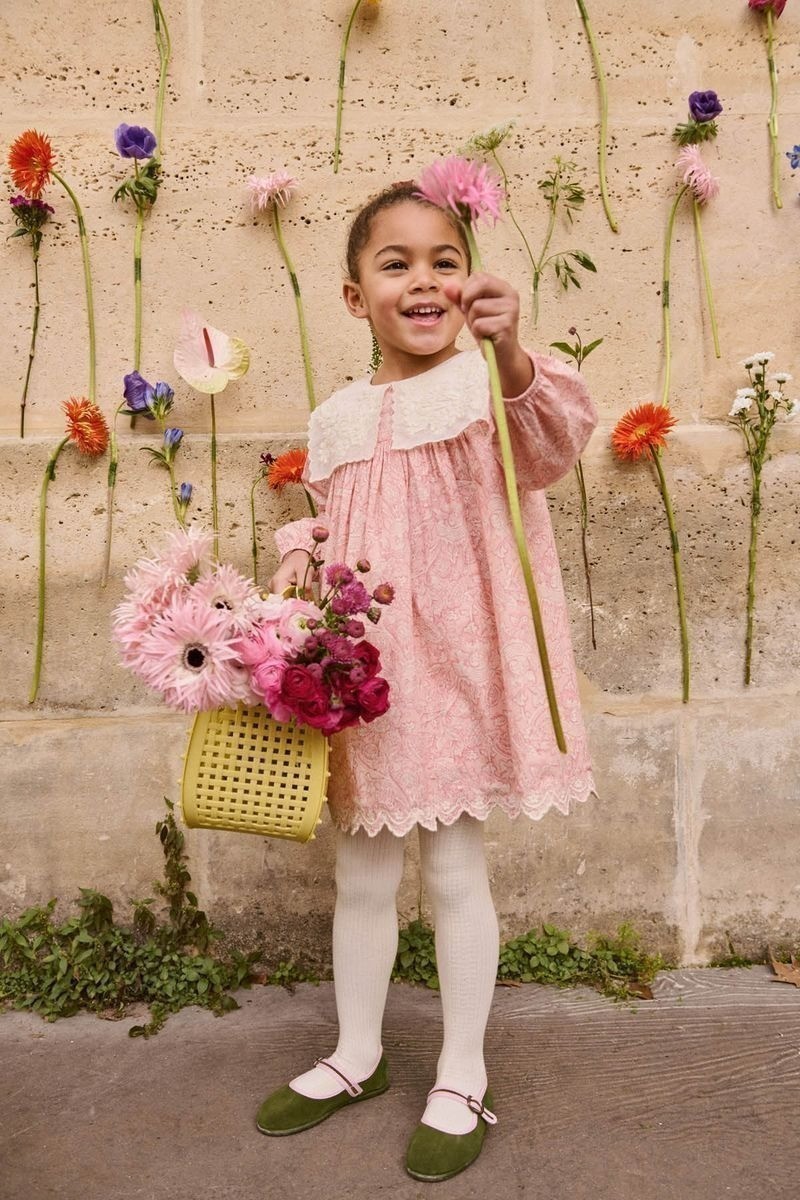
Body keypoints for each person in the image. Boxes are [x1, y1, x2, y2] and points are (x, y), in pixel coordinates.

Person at [256, 181, 599, 1182]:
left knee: (452, 868)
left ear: (468, 283)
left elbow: (551, 446)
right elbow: (343, 524)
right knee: (361, 873)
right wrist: (298, 573)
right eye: (394, 263)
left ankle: (461, 1071)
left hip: (457, 662)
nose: (422, 280)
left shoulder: (489, 383)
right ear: (354, 296)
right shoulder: (336, 417)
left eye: (443, 261)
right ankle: (357, 1054)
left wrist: (510, 351)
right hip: (365, 674)